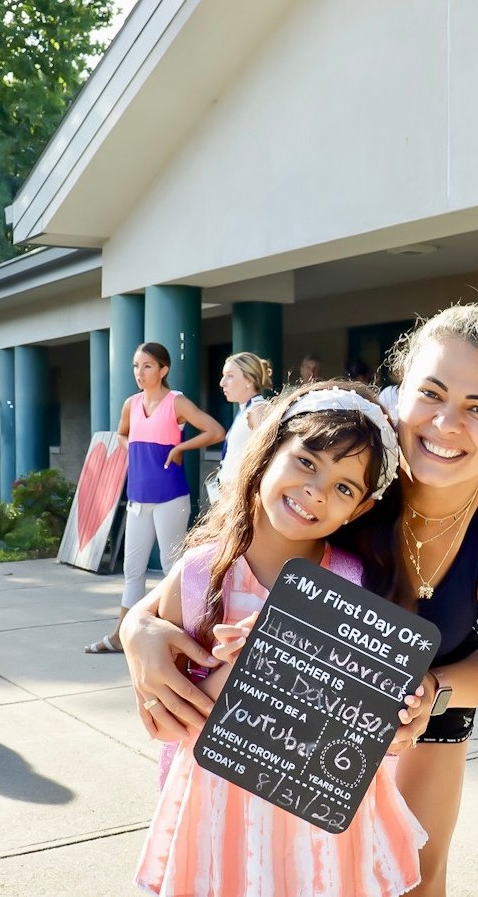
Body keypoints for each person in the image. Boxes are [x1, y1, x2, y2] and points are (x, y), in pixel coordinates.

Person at [121, 303, 478, 897]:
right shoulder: (349, 448)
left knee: (414, 881)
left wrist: (432, 691)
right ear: (398, 389)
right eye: (430, 393)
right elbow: (213, 562)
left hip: (418, 716)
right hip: (280, 720)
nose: (446, 424)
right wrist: (139, 633)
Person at [133, 381, 427, 897]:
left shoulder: (353, 583)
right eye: (308, 462)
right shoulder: (201, 572)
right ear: (267, 454)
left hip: (316, 814)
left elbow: (364, 721)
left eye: (344, 487)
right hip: (219, 805)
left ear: (358, 510)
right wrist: (253, 668)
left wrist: (402, 702)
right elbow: (168, 719)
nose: (317, 490)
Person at [84, 342, 225, 654]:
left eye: (147, 366)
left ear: (163, 370)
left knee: (170, 566)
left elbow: (216, 431)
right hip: (138, 498)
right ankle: (121, 635)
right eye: (136, 366)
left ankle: (176, 636)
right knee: (132, 570)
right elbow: (121, 434)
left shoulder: (176, 402)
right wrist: (135, 451)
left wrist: (178, 448)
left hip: (170, 497)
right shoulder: (130, 404)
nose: (139, 372)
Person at [214, 351, 273, 496]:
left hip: (240, 498)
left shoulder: (257, 409)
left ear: (249, 380)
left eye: (230, 376)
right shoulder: (246, 409)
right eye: (224, 375)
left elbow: (265, 456)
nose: (222, 383)